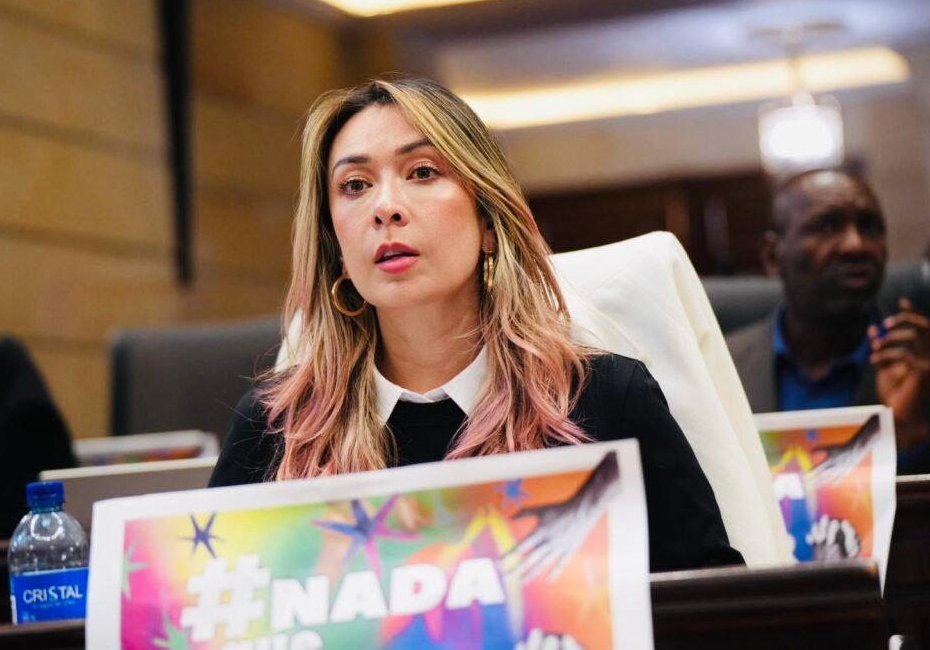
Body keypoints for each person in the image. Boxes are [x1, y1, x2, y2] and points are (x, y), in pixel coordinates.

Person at [210, 77, 742, 573]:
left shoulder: (605, 399)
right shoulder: (275, 430)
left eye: (422, 172)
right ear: (335, 247)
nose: (385, 207)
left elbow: (712, 612)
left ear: (488, 221)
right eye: (354, 184)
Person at [727, 169, 930, 473]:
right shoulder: (719, 367)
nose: (856, 245)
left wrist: (907, 435)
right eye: (826, 226)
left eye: (870, 227)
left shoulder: (919, 369)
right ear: (772, 256)